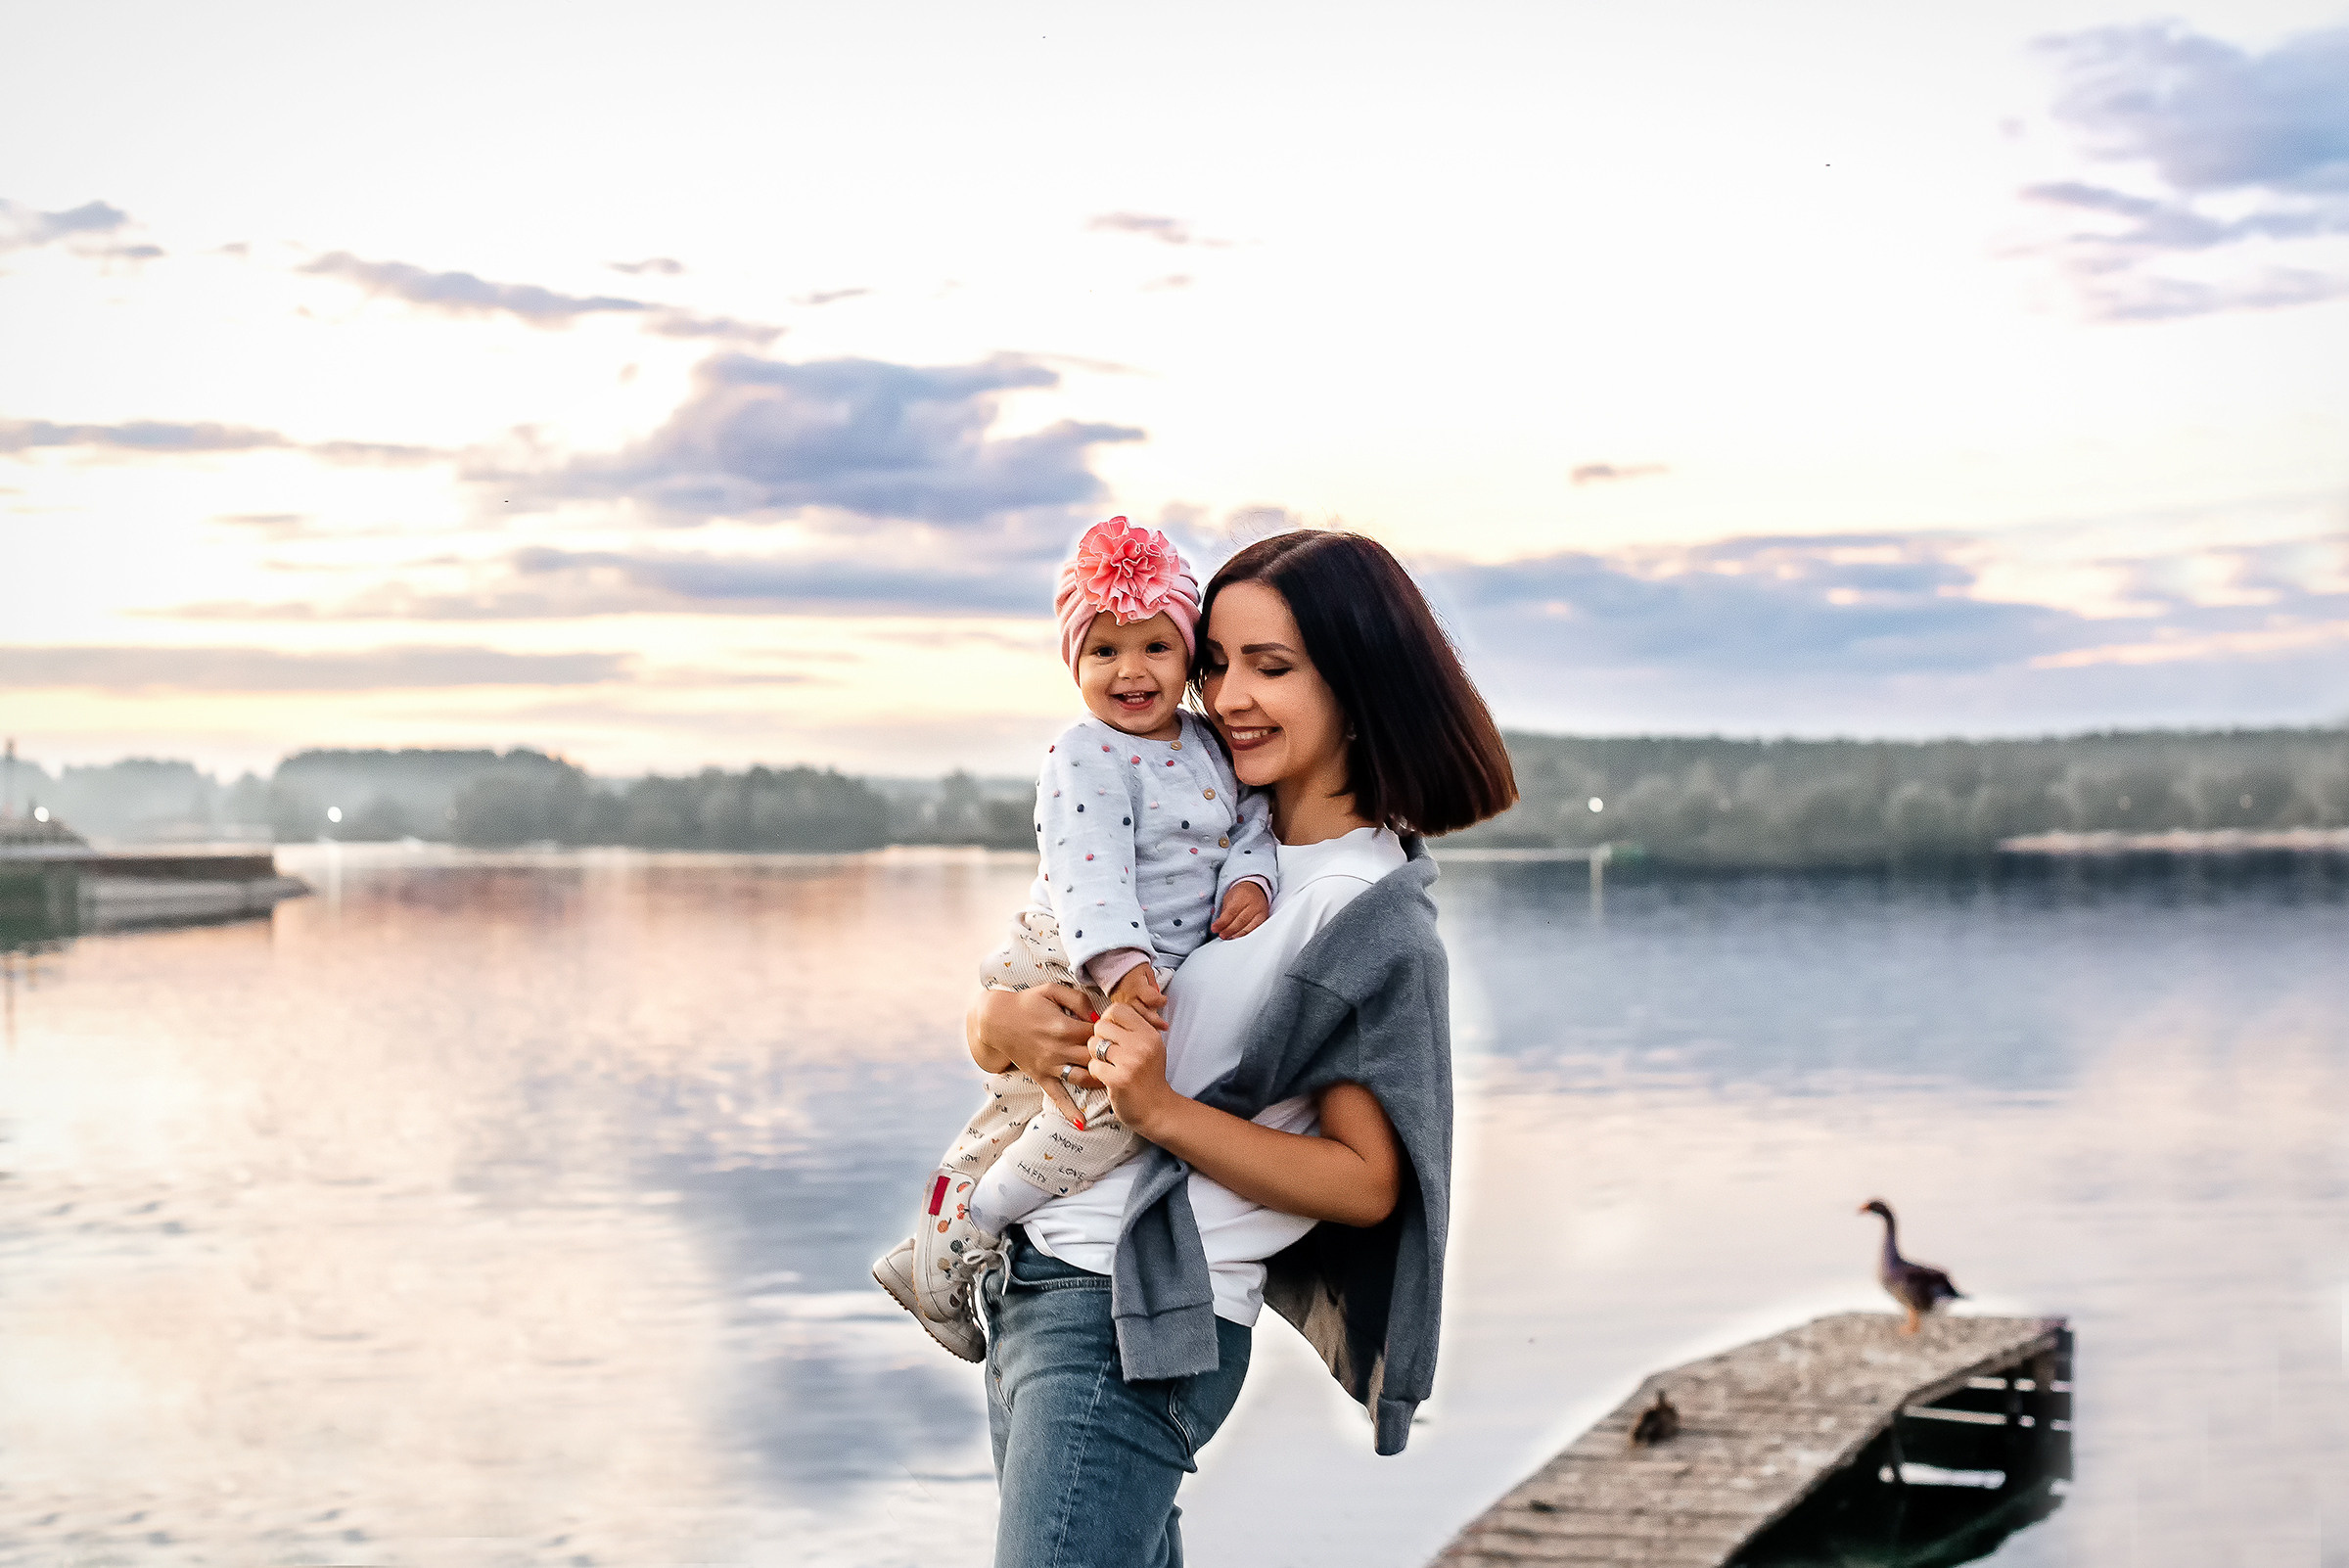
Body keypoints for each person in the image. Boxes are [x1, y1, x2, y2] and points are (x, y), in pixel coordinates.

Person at [965, 529, 1518, 1568]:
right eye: (1213, 663)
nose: (1224, 698)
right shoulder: (1209, 832)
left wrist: (1165, 1112)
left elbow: (1367, 1183)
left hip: (1130, 1323)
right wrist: (996, 1029)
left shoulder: (1358, 908)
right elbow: (1047, 976)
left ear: (1358, 681)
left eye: (1272, 667)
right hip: (1040, 1286)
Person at [871, 517, 1280, 1362]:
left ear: (1187, 656)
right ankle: (974, 1224)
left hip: (1117, 966)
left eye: (1156, 649)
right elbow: (1088, 874)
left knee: (1028, 1104)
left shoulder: (1208, 745)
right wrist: (1124, 968)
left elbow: (1253, 824)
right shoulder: (1086, 753)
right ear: (1074, 665)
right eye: (1104, 652)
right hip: (1078, 956)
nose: (1131, 671)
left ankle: (928, 1250)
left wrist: (1251, 880)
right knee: (1111, 1116)